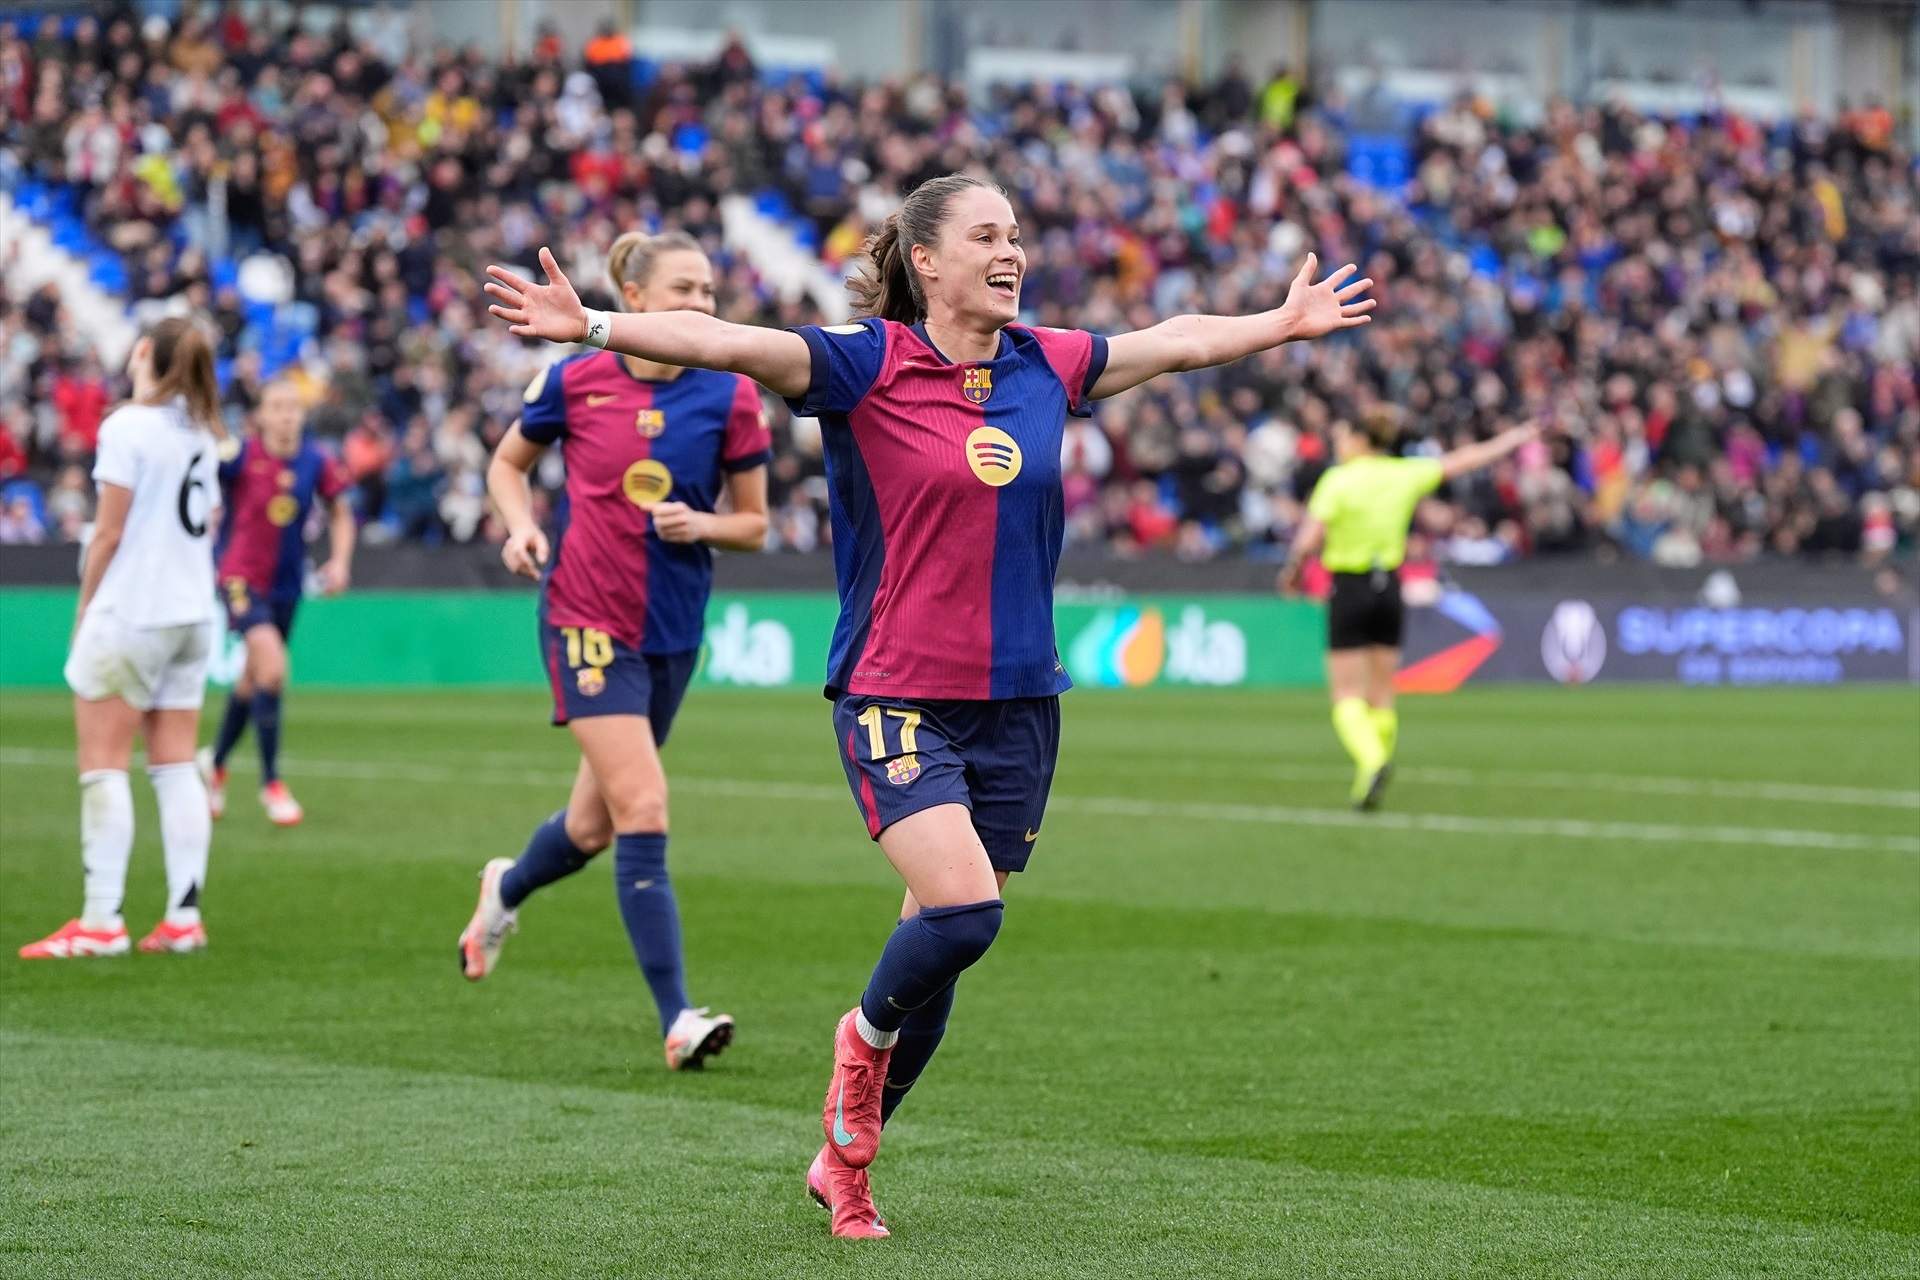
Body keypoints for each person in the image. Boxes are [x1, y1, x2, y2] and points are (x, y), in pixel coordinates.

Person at [482, 172, 1373, 1238]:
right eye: (987, 235)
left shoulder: (1049, 361)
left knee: (946, 943)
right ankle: (857, 1041)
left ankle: (845, 1161)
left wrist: (1279, 323)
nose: (1013, 252)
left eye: (1018, 235)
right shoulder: (867, 362)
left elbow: (1174, 339)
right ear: (927, 261)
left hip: (1020, 699)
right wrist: (587, 321)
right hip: (895, 689)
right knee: (964, 909)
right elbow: (734, 346)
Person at [458, 230, 772, 1073]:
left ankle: (506, 888)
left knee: (592, 827)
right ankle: (678, 1019)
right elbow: (506, 465)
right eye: (684, 288)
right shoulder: (574, 375)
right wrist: (522, 526)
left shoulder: (731, 396)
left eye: (709, 290)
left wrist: (702, 524)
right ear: (631, 298)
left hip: (672, 630)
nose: (702, 304)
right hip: (584, 618)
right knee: (645, 808)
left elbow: (755, 523)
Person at [20, 316, 228, 959]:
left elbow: (107, 533)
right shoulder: (202, 430)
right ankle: (182, 916)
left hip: (136, 609)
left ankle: (101, 920)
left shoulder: (127, 426)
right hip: (193, 612)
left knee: (103, 765)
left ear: (143, 352)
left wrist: (85, 608)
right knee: (174, 765)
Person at [1281, 410, 1537, 808]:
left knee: (1346, 693)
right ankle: (1370, 776)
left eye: (1344, 435)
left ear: (1361, 440)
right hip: (1390, 588)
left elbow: (1307, 538)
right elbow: (1465, 459)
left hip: (1349, 586)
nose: (1339, 443)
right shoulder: (1404, 474)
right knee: (1382, 693)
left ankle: (1372, 760)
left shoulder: (1339, 480)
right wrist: (1513, 438)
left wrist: (1293, 572)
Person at [198, 377, 355, 826]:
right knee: (272, 669)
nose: (286, 414)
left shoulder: (315, 461)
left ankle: (216, 764)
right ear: (261, 415)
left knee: (251, 682)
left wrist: (340, 561)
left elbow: (342, 510)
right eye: (277, 406)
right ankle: (271, 784)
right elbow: (204, 474)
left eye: (293, 407)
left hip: (287, 587)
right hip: (240, 579)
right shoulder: (242, 455)